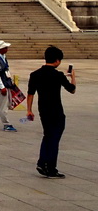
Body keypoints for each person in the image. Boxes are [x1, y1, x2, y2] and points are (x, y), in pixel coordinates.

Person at [26, 45, 77, 178]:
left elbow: (30, 93)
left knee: (47, 136)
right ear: (57, 60)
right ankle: (51, 168)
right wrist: (73, 77)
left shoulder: (35, 74)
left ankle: (42, 162)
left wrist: (29, 110)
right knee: (54, 139)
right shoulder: (58, 75)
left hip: (43, 110)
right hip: (56, 111)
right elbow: (72, 89)